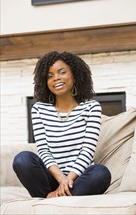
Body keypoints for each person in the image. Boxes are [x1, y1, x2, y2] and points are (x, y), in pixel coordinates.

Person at [13, 51, 111, 198]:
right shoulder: (39, 109)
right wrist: (61, 179)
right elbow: (44, 151)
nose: (56, 78)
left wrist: (68, 179)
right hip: (52, 177)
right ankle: (58, 196)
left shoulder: (91, 107)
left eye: (62, 72)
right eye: (50, 76)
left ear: (75, 75)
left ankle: (51, 198)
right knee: (22, 159)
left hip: (78, 178)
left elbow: (87, 150)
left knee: (101, 173)